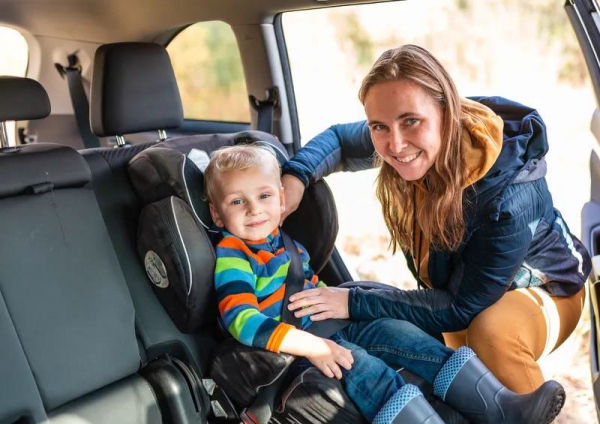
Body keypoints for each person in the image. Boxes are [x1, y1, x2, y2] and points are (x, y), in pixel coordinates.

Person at [282, 44, 591, 396]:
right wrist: (295, 176)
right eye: (379, 126)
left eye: (411, 121)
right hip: (466, 293)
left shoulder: (509, 196)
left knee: (491, 333)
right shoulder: (406, 139)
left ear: (446, 111)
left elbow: (461, 306)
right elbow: (338, 140)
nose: (395, 145)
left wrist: (351, 303)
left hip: (547, 289)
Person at [204, 143, 565, 424]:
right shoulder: (235, 253)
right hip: (296, 348)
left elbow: (311, 291)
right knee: (368, 371)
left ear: (282, 199)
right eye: (238, 202)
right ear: (217, 214)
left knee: (403, 335)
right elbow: (242, 320)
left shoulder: (287, 245)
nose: (254, 209)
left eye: (264, 196)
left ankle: (502, 408)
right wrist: (312, 346)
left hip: (333, 328)